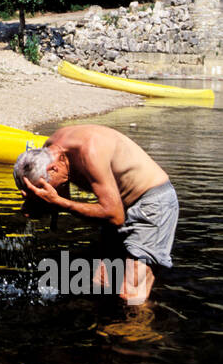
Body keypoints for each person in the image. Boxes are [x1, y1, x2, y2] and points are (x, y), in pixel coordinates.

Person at [13, 124, 179, 305]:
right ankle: (106, 330)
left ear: (54, 168)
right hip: (118, 203)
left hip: (152, 203)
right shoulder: (50, 150)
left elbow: (115, 217)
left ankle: (139, 332)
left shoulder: (89, 153)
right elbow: (62, 192)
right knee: (101, 283)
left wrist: (59, 202)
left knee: (131, 294)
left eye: (46, 186)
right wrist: (35, 203)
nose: (50, 190)